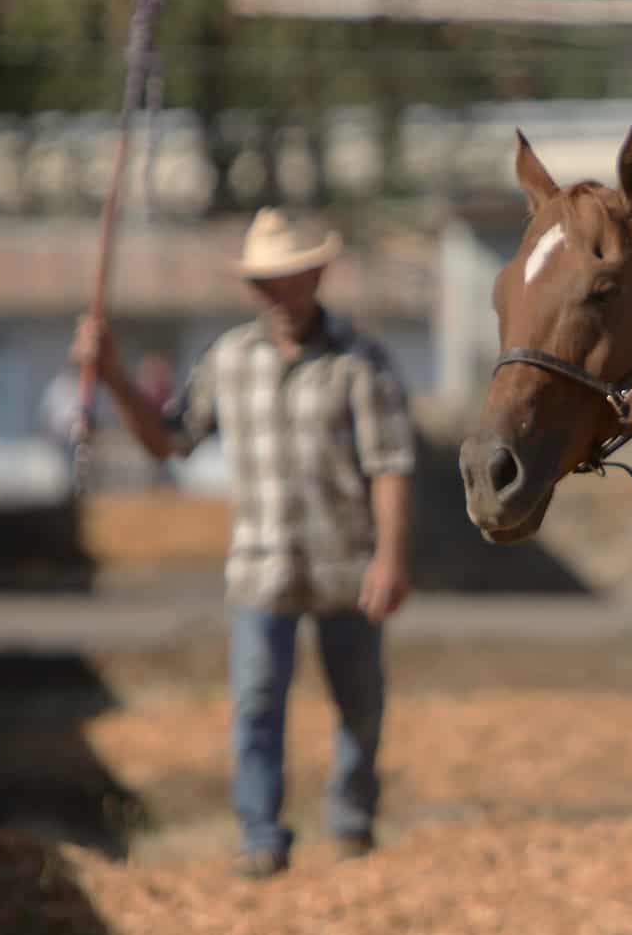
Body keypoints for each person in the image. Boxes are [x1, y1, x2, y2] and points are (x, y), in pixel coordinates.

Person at [72, 207, 417, 879]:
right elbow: (169, 439)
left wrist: (392, 558)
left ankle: (351, 821)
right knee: (256, 703)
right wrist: (113, 377)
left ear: (315, 276)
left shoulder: (361, 361)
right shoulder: (228, 361)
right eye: (262, 282)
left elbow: (391, 466)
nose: (274, 294)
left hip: (345, 562)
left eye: (286, 279)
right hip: (261, 566)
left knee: (360, 702)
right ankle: (260, 833)